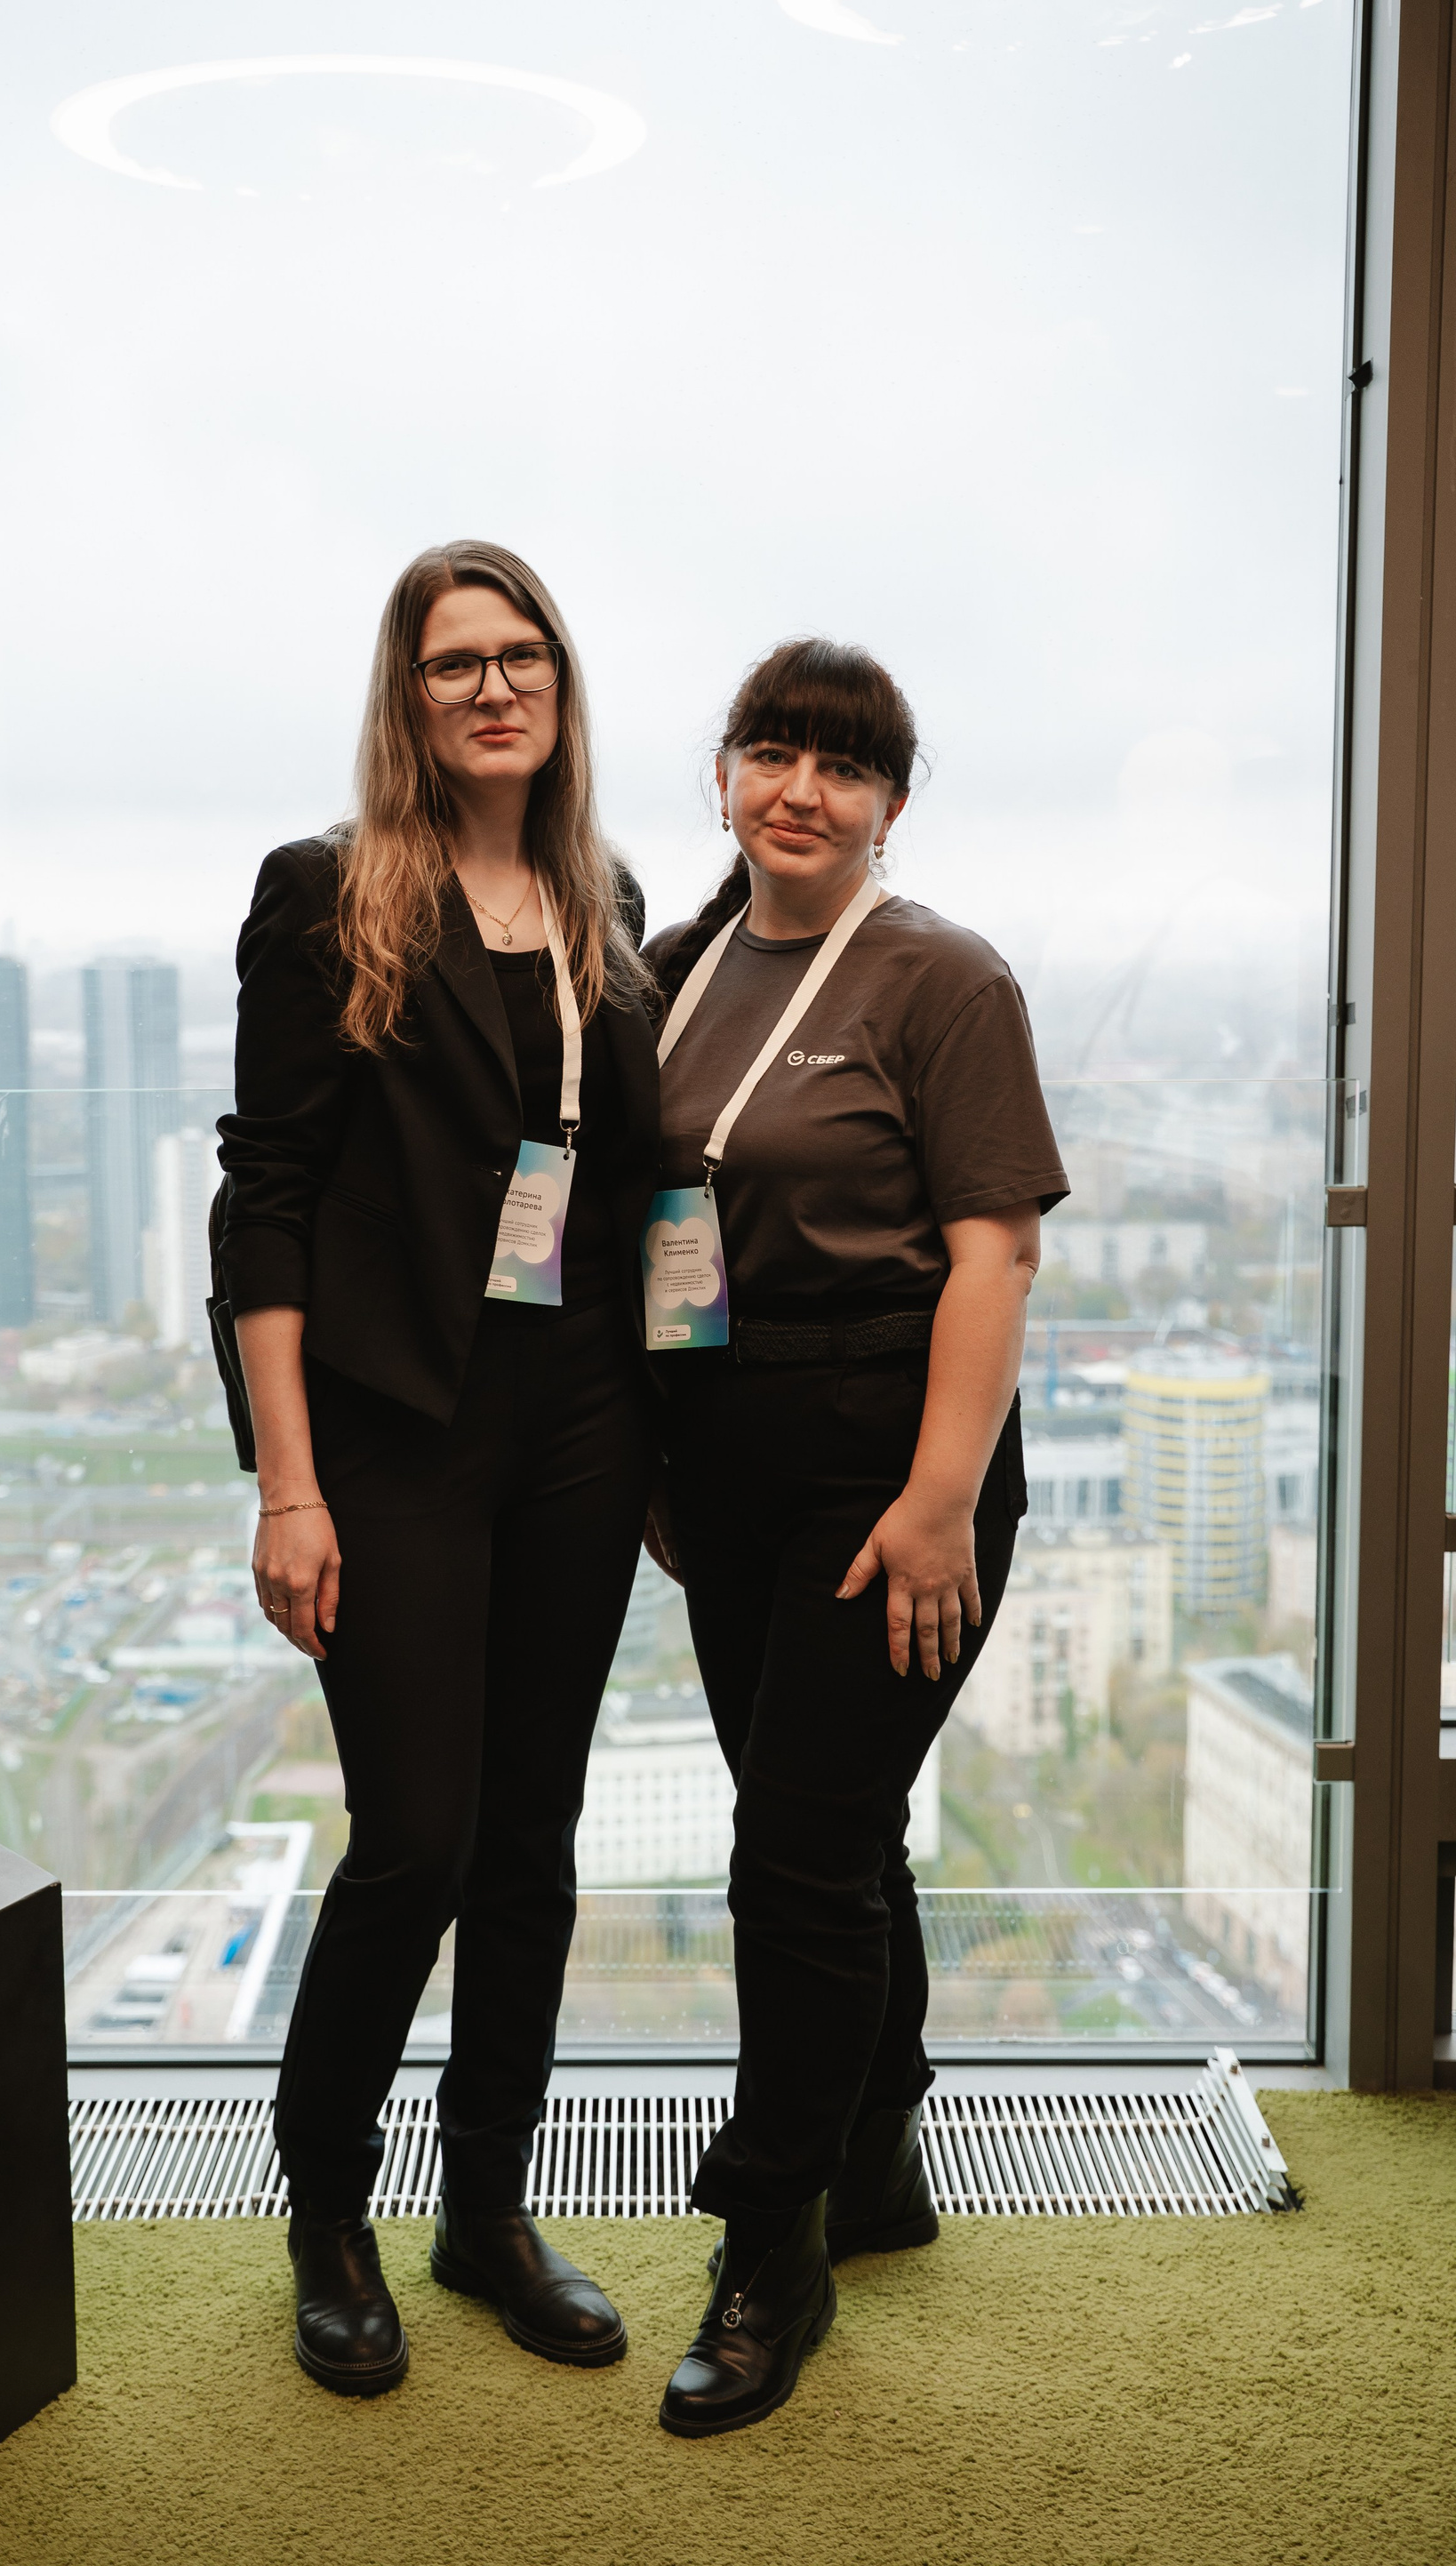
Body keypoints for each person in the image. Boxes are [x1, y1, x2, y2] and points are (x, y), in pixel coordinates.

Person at [216, 540, 660, 2396]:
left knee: (536, 1838)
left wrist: (676, 1426)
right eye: (454, 661)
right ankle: (329, 2209)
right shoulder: (329, 894)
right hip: (396, 1422)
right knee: (418, 1837)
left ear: (559, 680)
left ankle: (487, 2209)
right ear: (409, 700)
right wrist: (287, 1484)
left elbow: (636, 1188)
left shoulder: (607, 897)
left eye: (521, 652)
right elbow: (267, 1202)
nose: (494, 685)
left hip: (579, 1418)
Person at [641, 637, 1068, 2438]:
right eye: (771, 752)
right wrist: (661, 1465)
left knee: (794, 1856)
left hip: (895, 1467)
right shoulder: (672, 971)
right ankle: (878, 2160)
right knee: (831, 1830)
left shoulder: (942, 978)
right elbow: (660, 1222)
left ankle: (772, 2247)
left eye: (841, 764)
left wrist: (940, 1501)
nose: (799, 789)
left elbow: (997, 1252)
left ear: (892, 801)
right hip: (728, 1466)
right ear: (724, 775)